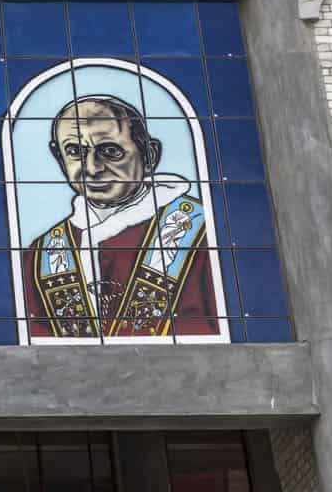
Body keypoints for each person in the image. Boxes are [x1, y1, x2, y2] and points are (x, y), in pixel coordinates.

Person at [22, 94, 218, 338]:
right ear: (59, 158)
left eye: (110, 151)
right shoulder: (39, 255)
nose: (92, 168)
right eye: (75, 151)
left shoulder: (205, 232)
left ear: (149, 155)